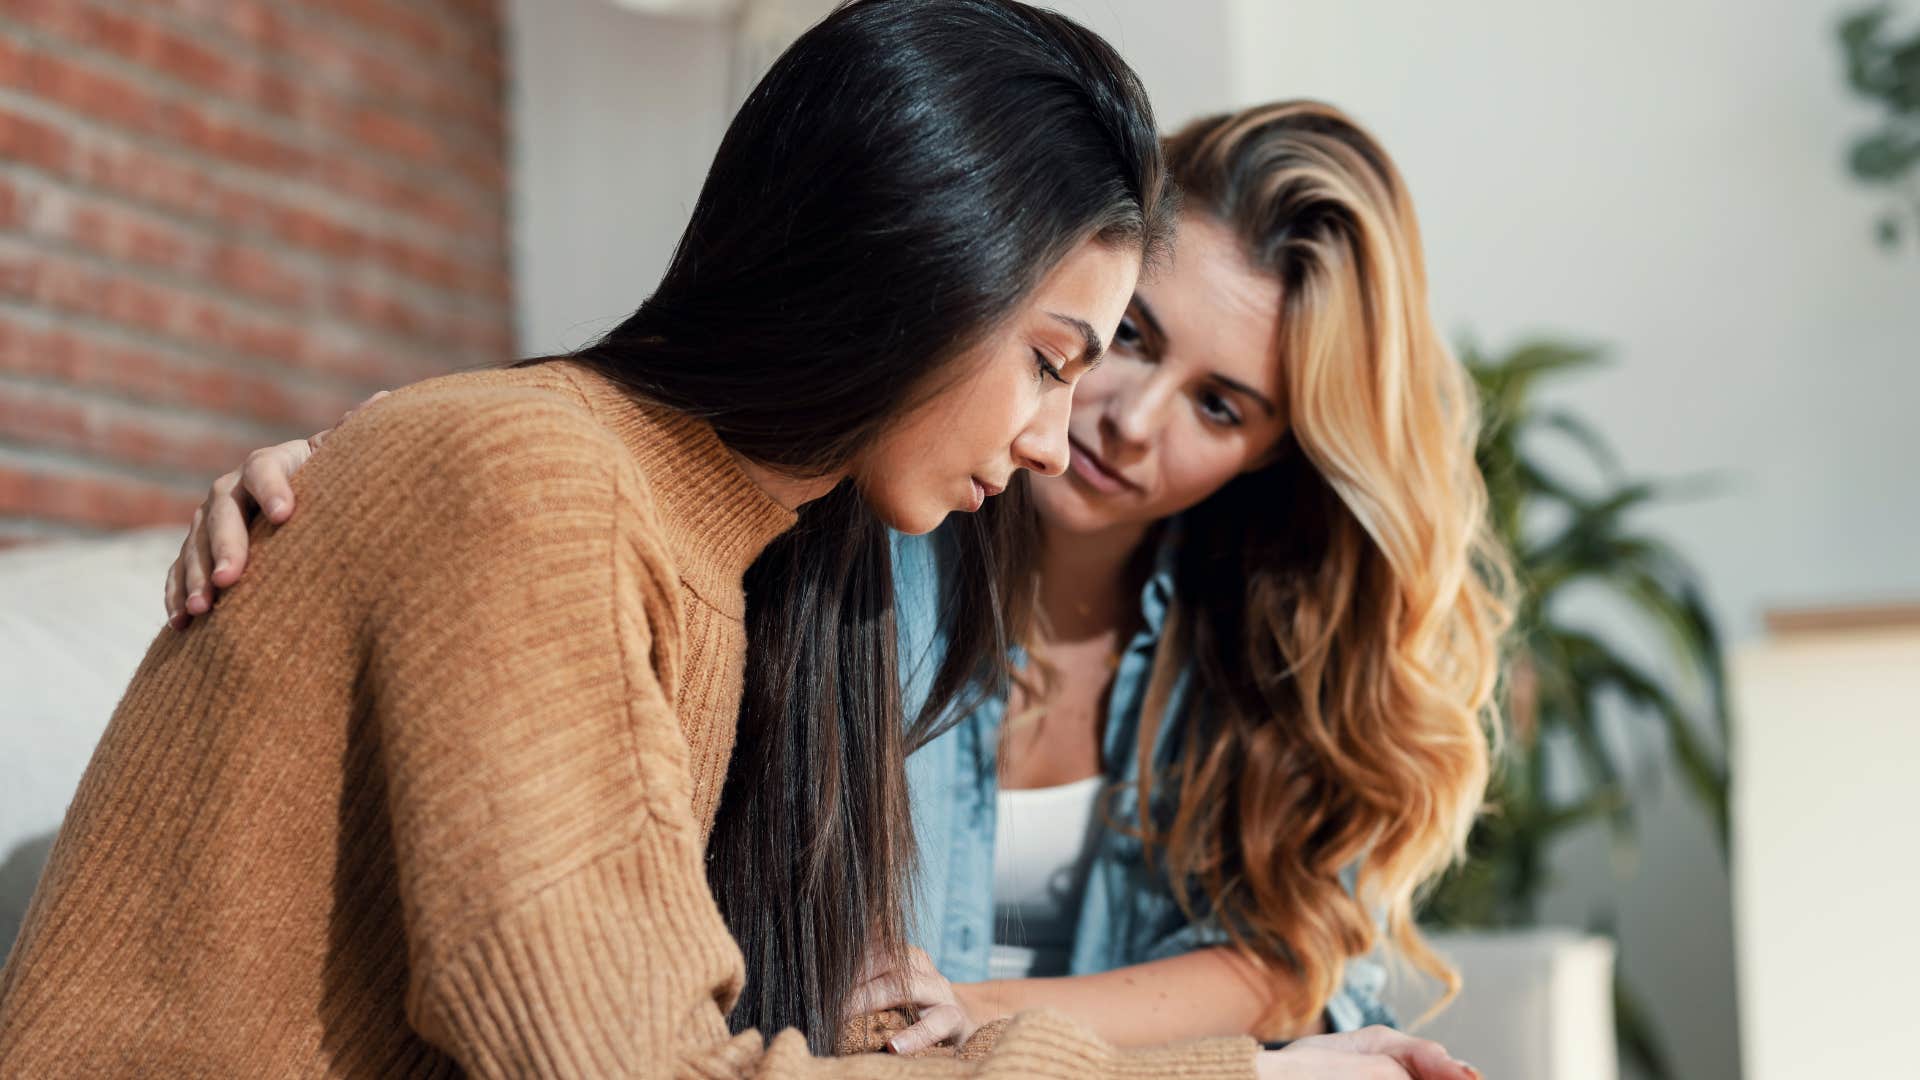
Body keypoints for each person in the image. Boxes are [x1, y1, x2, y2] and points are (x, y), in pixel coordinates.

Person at [0, 2, 1353, 1076]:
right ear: (917, 265)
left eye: (1218, 404)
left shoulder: (778, 567)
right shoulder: (537, 487)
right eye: (1057, 362)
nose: (1066, 438)